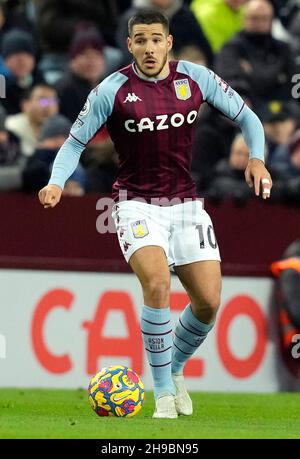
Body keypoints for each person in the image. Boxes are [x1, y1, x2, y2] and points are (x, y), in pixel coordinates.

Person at [38, 10, 272, 419]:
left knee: (208, 303)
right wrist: (57, 182)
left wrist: (257, 158)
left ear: (168, 43)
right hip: (135, 203)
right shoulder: (111, 90)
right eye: (140, 40)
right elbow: (74, 143)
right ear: (130, 45)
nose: (148, 47)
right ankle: (162, 393)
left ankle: (174, 368)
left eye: (155, 39)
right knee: (159, 283)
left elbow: (248, 118)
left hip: (186, 205)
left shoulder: (195, 79)